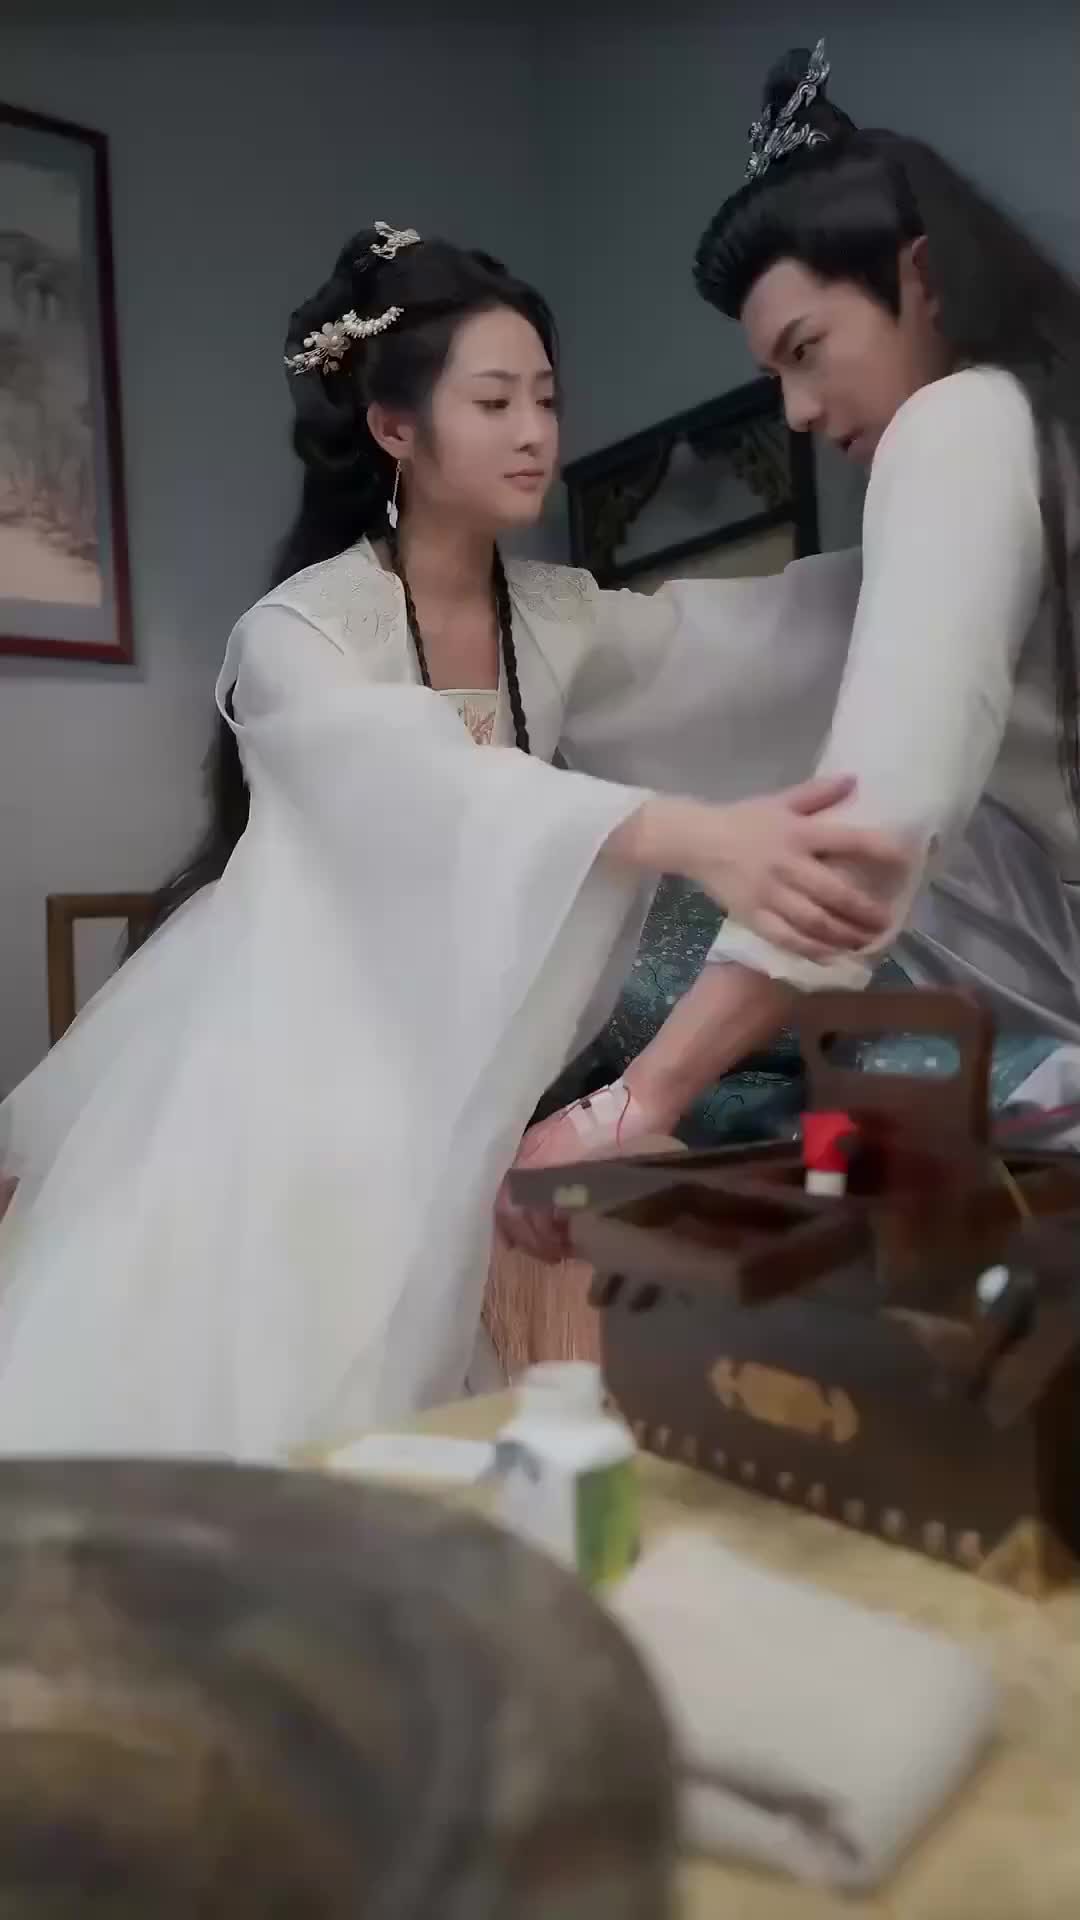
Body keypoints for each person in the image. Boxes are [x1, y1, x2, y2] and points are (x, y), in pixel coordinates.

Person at [0, 223, 903, 1458]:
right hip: (280, 1072)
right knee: (253, 1421)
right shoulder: (298, 637)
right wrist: (687, 832)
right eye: (494, 401)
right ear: (394, 428)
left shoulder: (555, 618)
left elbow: (750, 646)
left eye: (547, 397)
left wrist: (939, 548)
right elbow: (418, 787)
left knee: (412, 1424)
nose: (536, 431)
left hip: (447, 1072)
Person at [505, 39, 1080, 1214]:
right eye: (775, 375)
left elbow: (879, 812)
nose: (801, 412)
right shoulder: (1036, 425)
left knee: (769, 1081)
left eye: (807, 351)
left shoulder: (958, 424)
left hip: (1038, 1053)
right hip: (1025, 1018)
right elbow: (775, 646)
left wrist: (638, 1102)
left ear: (922, 277)